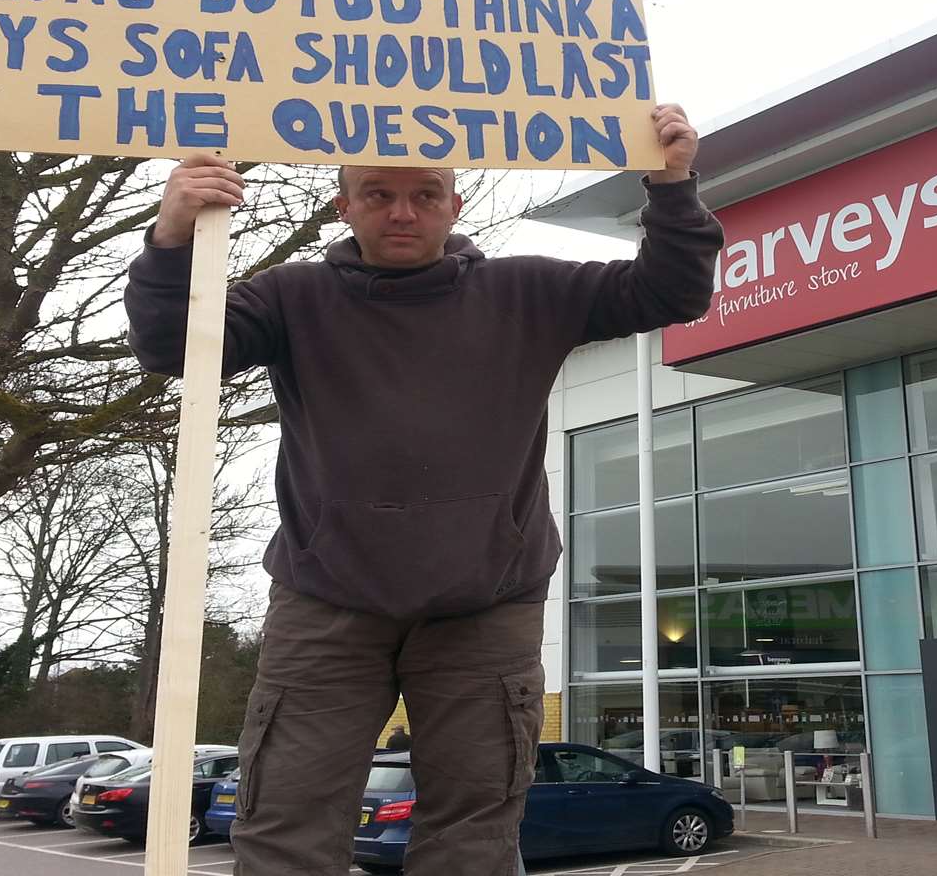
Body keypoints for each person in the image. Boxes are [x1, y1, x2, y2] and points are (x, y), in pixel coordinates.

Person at [125, 104, 719, 876]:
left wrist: (671, 188)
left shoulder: (527, 292)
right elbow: (175, 344)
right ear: (343, 206)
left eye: (425, 194)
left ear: (454, 205)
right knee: (284, 822)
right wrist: (171, 236)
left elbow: (668, 293)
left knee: (474, 832)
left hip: (486, 607)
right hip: (326, 603)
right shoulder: (289, 299)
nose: (402, 211)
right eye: (377, 193)